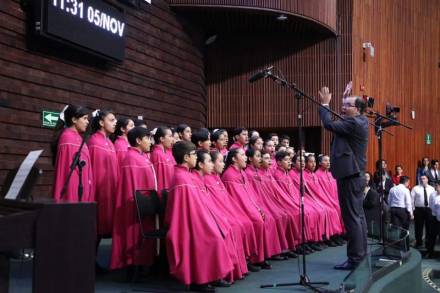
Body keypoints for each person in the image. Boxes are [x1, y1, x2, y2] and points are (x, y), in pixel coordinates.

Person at [166, 141, 233, 292]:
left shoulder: (187, 175)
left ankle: (212, 276)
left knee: (220, 231)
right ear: (185, 157)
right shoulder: (181, 178)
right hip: (187, 224)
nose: (196, 158)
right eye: (194, 155)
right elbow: (186, 210)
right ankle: (200, 281)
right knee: (212, 237)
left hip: (196, 219)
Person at [318, 85, 369, 270]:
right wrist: (345, 97)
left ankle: (355, 259)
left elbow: (329, 124)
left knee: (352, 219)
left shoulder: (353, 123)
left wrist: (324, 104)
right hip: (355, 175)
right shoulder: (359, 121)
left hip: (350, 176)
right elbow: (341, 115)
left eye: (348, 105)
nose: (343, 107)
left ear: (358, 109)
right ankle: (361, 255)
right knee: (358, 218)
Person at [110, 127, 157, 271]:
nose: (150, 142)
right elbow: (132, 190)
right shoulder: (132, 159)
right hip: (135, 209)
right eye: (147, 138)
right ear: (138, 140)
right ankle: (133, 264)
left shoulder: (139, 157)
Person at [51, 105, 93, 202]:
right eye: (85, 118)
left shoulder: (78, 138)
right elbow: (67, 173)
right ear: (74, 119)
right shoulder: (67, 138)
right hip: (73, 193)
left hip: (82, 188)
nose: (87, 122)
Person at [88, 109, 118, 239]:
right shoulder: (94, 141)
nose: (115, 123)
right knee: (95, 227)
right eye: (111, 120)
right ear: (101, 122)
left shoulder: (110, 143)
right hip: (98, 192)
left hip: (109, 191)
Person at [411, 174, 435, 248]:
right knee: (418, 227)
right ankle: (419, 243)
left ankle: (428, 243)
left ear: (427, 179)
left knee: (429, 227)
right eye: (421, 178)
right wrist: (412, 211)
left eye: (424, 178)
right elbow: (411, 200)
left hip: (429, 210)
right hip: (418, 210)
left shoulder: (432, 188)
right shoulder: (415, 188)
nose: (422, 180)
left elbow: (433, 200)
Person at [150, 126, 176, 194]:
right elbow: (159, 180)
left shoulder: (165, 154)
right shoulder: (157, 155)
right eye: (170, 136)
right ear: (161, 138)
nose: (172, 139)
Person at [427, 183, 440, 258]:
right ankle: (430, 253)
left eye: (438, 186)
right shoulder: (432, 194)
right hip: (434, 218)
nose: (436, 187)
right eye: (436, 186)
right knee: (431, 236)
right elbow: (431, 205)